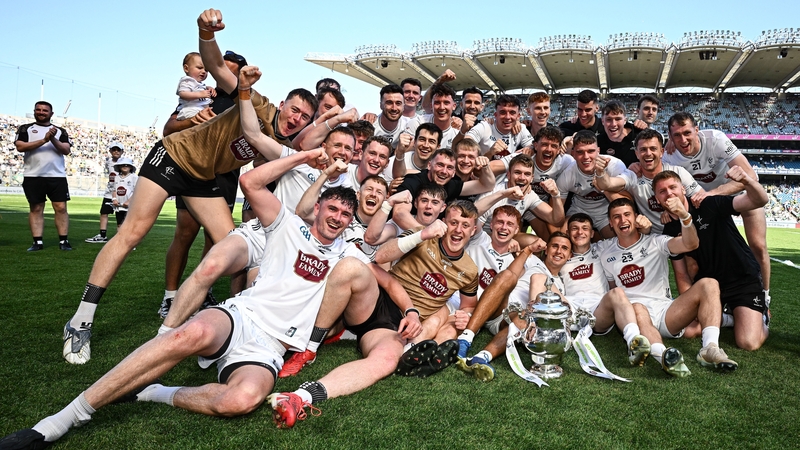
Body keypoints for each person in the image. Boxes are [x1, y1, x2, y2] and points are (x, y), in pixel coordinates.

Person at [0, 147, 374, 449]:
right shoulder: (288, 224)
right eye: (333, 208)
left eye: (345, 213)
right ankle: (63, 419)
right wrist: (305, 158)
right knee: (185, 335)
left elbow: (381, 268)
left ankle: (158, 392)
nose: (338, 217)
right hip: (243, 315)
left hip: (271, 347)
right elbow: (250, 181)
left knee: (240, 401)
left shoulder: (349, 256)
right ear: (318, 208)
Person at [60, 9, 318, 365]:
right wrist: (205, 33)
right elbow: (215, 66)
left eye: (304, 117)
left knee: (232, 249)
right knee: (132, 232)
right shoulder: (256, 101)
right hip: (174, 156)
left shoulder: (282, 138)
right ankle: (80, 320)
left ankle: (217, 321)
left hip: (203, 178)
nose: (296, 119)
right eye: (295, 110)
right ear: (284, 103)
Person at [599, 198, 737, 377]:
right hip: (635, 315)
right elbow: (615, 296)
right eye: (616, 217)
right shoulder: (607, 255)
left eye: (627, 215)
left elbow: (691, 244)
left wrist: (684, 216)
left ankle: (710, 348)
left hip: (666, 313)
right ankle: (663, 355)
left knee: (709, 283)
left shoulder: (655, 242)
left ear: (636, 217)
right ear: (610, 223)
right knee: (638, 307)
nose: (622, 220)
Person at [159, 49, 248, 319]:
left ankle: (203, 290)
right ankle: (170, 296)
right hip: (196, 172)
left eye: (232, 71)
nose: (224, 74)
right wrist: (191, 120)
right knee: (185, 233)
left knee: (215, 239)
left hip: (227, 177)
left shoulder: (246, 102)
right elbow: (168, 128)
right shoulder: (200, 96)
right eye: (221, 68)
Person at [658, 169, 770, 351]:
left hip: (741, 278)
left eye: (673, 187)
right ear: (657, 199)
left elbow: (759, 200)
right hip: (711, 288)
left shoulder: (708, 204)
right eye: (662, 191)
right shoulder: (669, 229)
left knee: (748, 342)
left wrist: (747, 181)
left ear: (683, 190)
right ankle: (728, 317)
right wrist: (690, 306)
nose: (669, 193)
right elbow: (681, 273)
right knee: (687, 330)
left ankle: (762, 317)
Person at [662, 112, 771, 297]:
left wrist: (713, 193)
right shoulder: (669, 155)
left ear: (697, 130)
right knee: (707, 254)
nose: (683, 139)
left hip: (735, 193)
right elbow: (666, 186)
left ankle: (765, 295)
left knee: (758, 245)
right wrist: (667, 209)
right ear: (670, 137)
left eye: (687, 133)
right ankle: (717, 297)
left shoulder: (716, 139)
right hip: (706, 205)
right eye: (677, 135)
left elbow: (751, 176)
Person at [457, 233, 569, 380]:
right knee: (507, 276)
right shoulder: (533, 260)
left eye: (564, 248)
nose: (559, 251)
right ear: (546, 249)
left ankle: (481, 357)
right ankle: (465, 340)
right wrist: (528, 248)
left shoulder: (561, 286)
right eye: (555, 246)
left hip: (514, 319)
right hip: (496, 304)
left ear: (569, 255)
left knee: (525, 319)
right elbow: (514, 268)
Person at [594, 128, 700, 234]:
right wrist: (600, 172)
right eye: (643, 149)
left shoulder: (678, 172)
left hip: (686, 229)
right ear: (637, 154)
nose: (648, 153)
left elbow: (700, 199)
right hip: (654, 237)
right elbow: (608, 184)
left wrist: (674, 213)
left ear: (661, 152)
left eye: (653, 148)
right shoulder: (632, 175)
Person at [14, 101, 73, 252]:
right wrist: (44, 140)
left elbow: (66, 150)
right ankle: (37, 242)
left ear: (51, 114)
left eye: (45, 110)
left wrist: (52, 138)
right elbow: (20, 146)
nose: (41, 112)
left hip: (57, 176)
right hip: (33, 175)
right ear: (34, 111)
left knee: (60, 207)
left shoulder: (60, 131)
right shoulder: (25, 128)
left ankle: (64, 241)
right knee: (36, 207)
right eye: (38, 110)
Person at [555, 130, 635, 239]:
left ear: (598, 151)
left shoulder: (614, 165)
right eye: (580, 152)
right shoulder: (567, 174)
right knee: (564, 236)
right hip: (579, 209)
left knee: (621, 239)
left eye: (591, 151)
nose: (586, 157)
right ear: (573, 153)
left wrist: (604, 189)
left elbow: (628, 203)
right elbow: (556, 212)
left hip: (605, 212)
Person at [392, 148, 494, 229]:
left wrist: (486, 167)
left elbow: (487, 185)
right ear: (429, 165)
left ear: (454, 172)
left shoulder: (450, 184)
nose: (444, 171)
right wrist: (425, 236)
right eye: (440, 165)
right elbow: (399, 213)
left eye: (449, 167)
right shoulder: (412, 182)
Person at [454, 94, 533, 160]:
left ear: (518, 116)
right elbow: (464, 145)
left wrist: (528, 149)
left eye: (512, 113)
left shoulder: (521, 128)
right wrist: (490, 153)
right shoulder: (485, 126)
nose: (507, 117)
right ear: (495, 115)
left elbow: (533, 146)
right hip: (483, 175)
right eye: (503, 112)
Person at [85, 142, 124, 244]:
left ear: (122, 151)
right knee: (104, 212)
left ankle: (122, 237)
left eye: (118, 150)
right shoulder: (108, 162)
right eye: (114, 149)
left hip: (121, 193)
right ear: (110, 151)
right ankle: (102, 235)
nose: (116, 151)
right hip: (109, 192)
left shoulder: (125, 162)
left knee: (121, 215)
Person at [407, 81, 461, 149]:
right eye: (437, 103)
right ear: (431, 106)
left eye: (446, 103)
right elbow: (404, 153)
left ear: (454, 106)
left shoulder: (458, 131)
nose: (441, 107)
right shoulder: (417, 123)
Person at [596, 100, 639, 167]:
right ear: (602, 121)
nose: (613, 124)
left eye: (618, 119)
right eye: (609, 119)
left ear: (625, 120)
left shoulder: (639, 136)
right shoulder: (597, 142)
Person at [175, 52, 216, 120]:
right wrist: (200, 94)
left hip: (199, 110)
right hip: (190, 110)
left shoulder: (198, 84)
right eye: (199, 68)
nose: (203, 71)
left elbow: (198, 88)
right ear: (186, 68)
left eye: (206, 70)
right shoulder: (187, 81)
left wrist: (208, 88)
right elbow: (182, 94)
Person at [110, 157, 138, 228]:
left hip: (130, 207)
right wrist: (114, 199)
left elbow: (137, 192)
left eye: (127, 165)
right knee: (119, 225)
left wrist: (129, 201)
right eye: (122, 165)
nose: (125, 167)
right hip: (119, 206)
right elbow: (114, 190)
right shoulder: (116, 177)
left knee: (128, 225)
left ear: (131, 167)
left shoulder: (134, 177)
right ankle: (120, 239)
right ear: (119, 167)